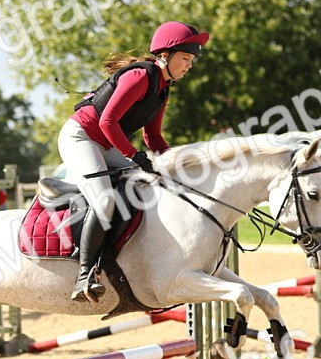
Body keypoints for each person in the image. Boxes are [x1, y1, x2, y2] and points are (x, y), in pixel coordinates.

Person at [59, 21, 209, 303]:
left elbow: (153, 137)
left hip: (105, 143)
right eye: (186, 58)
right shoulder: (141, 75)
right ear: (165, 55)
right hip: (80, 137)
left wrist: (177, 167)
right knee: (104, 201)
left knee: (147, 188)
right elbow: (108, 120)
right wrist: (134, 155)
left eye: (191, 60)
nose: (190, 66)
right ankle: (84, 275)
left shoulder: (164, 87)